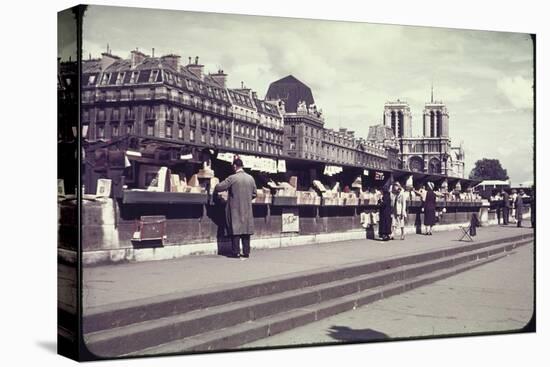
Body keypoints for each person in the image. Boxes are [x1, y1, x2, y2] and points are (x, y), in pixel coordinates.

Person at [214, 158, 257, 259]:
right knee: (246, 230)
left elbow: (219, 187)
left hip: (235, 208)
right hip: (247, 208)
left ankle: (236, 252)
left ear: (234, 166)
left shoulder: (232, 178)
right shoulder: (250, 178)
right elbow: (254, 193)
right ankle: (246, 252)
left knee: (235, 230)